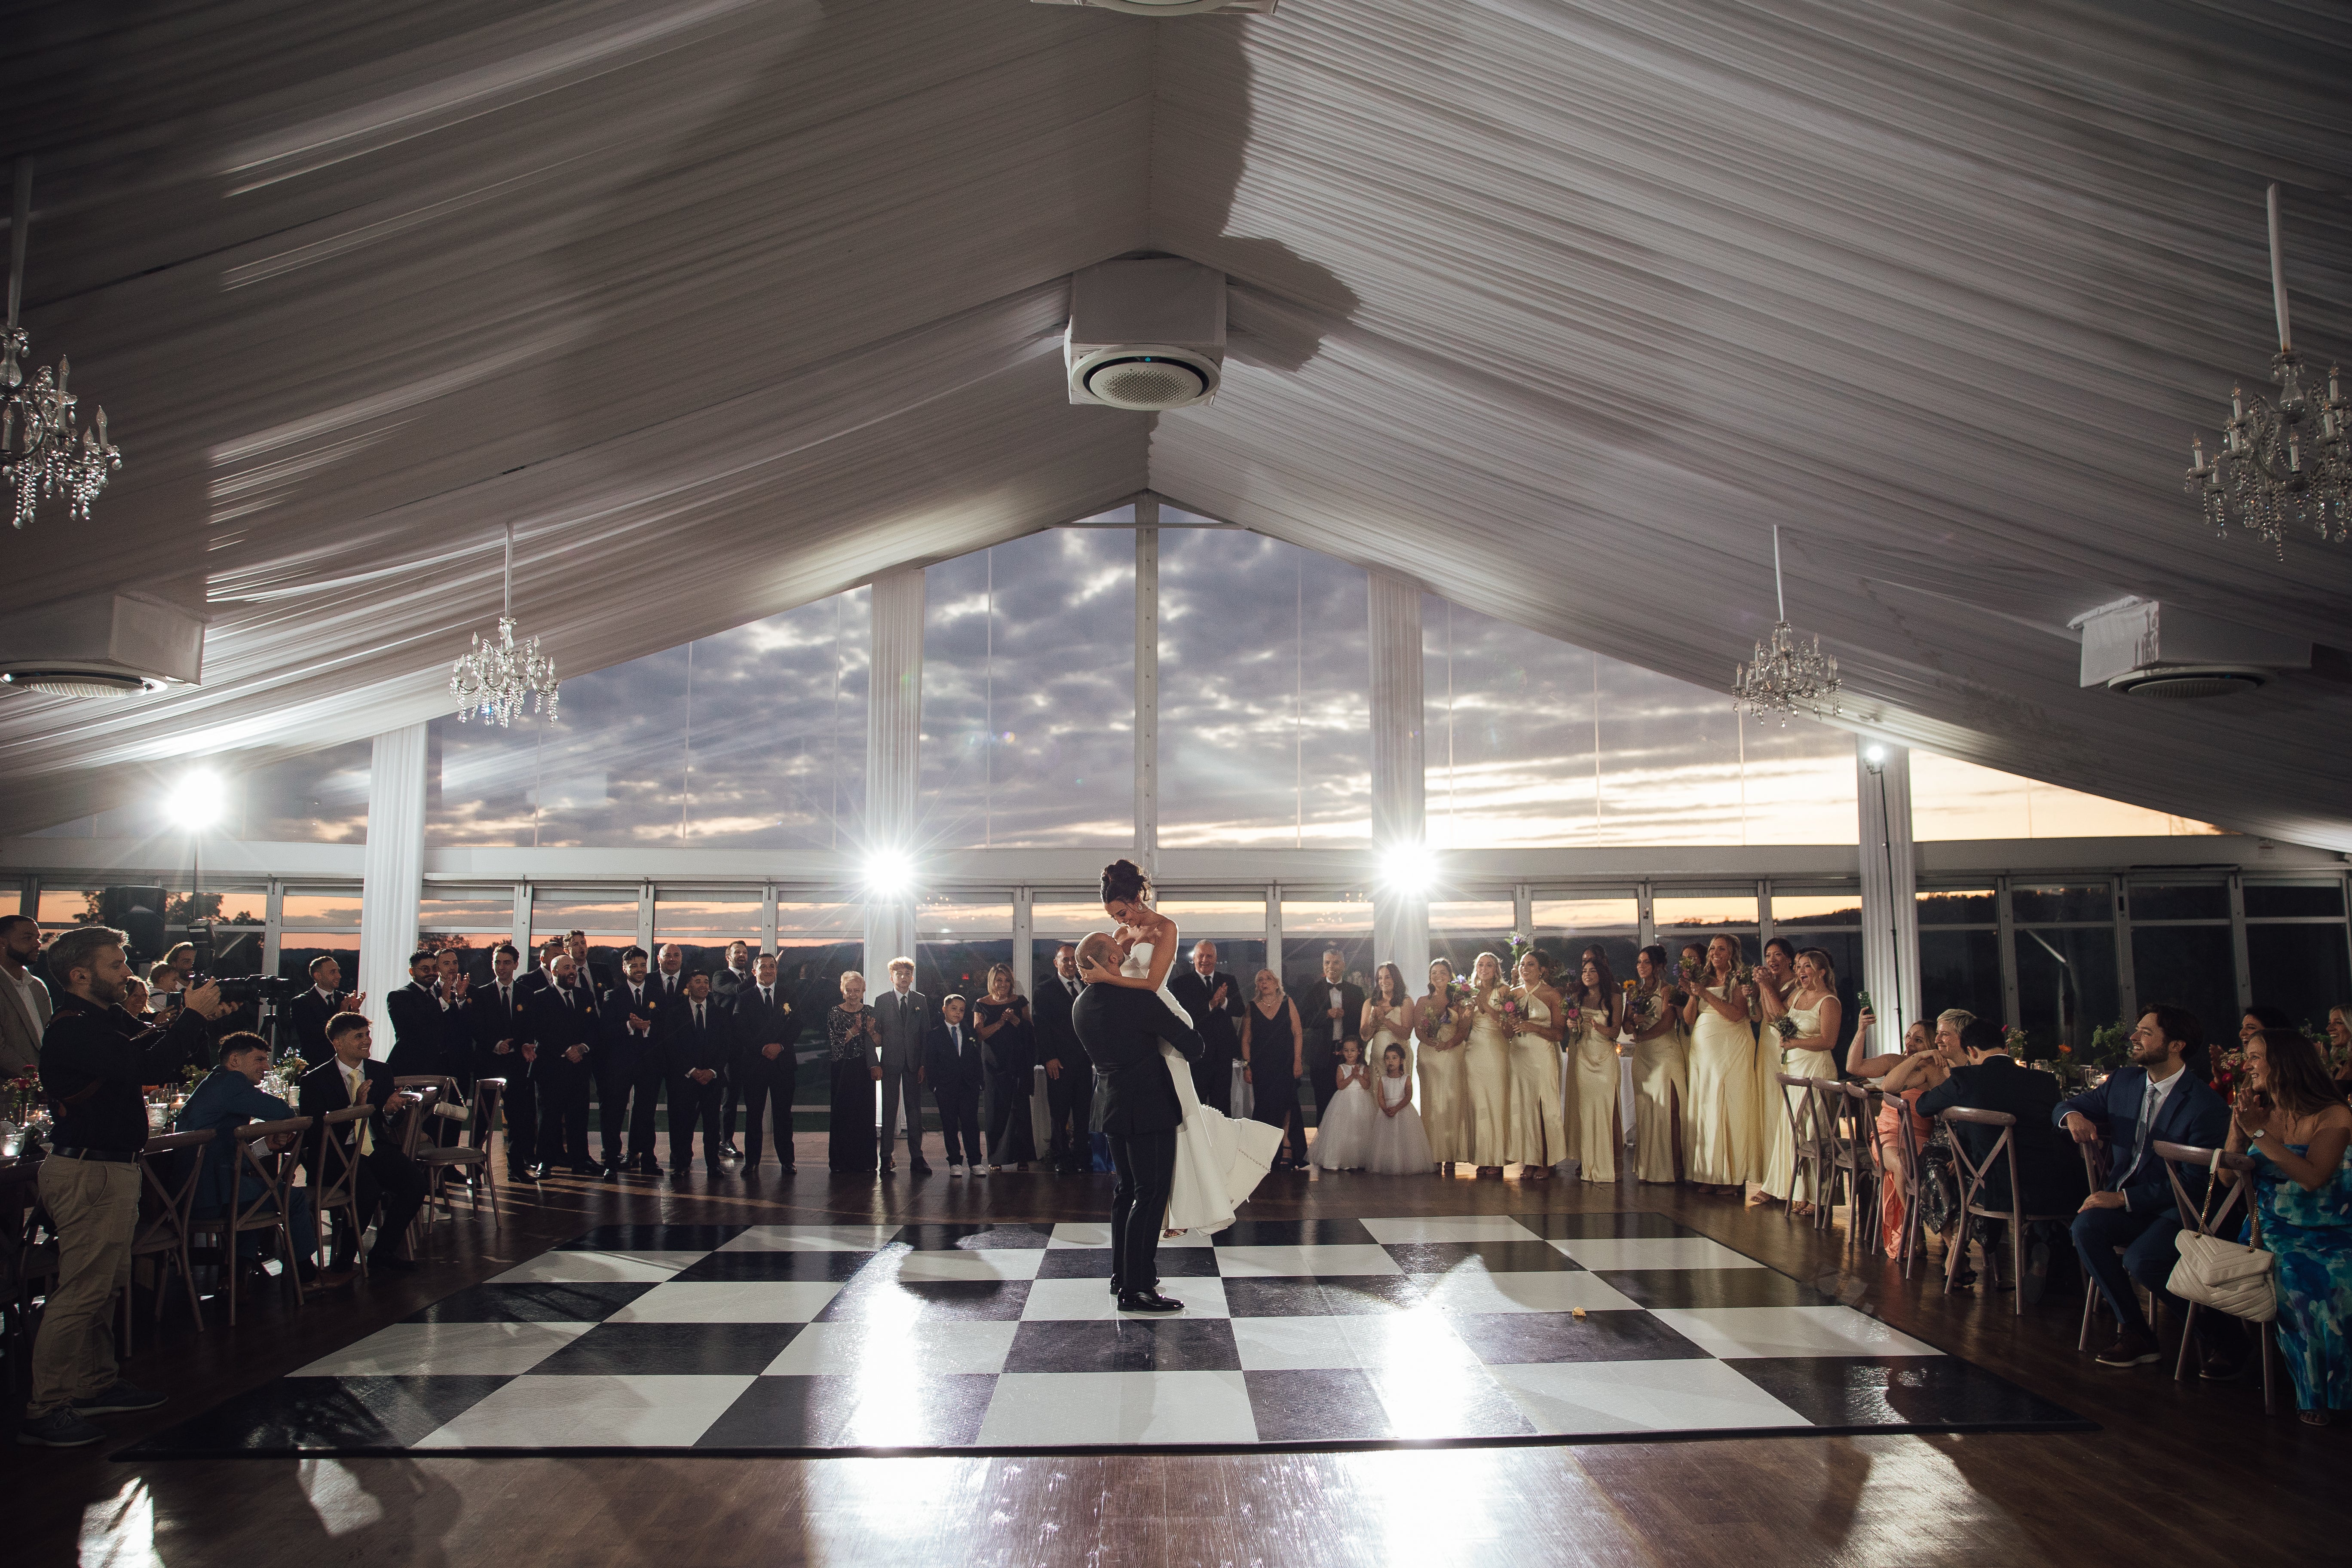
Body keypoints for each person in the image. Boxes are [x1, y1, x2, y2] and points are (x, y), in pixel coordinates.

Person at [16, 926, 225, 1449]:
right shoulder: (71, 1028)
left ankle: (94, 1383)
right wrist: (193, 1016)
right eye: (115, 966)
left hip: (111, 1167)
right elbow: (148, 1067)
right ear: (79, 975)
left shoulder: (102, 1020)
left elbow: (151, 1045)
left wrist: (188, 1019)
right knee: (81, 1290)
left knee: (106, 1283)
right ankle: (46, 1408)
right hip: (89, 1171)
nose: (127, 974)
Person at [2056, 1004, 2234, 1370]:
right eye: (2136, 1031)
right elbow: (2066, 1103)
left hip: (2177, 1210)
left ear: (2177, 1046)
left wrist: (2122, 1198)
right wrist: (2072, 1115)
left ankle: (2225, 1338)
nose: (2134, 1038)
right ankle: (2136, 1331)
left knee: (2142, 1260)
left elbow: (2196, 1184)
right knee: (2085, 1228)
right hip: (2131, 1206)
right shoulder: (2123, 1082)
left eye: (2146, 1032)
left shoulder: (2206, 1106)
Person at [1070, 930, 1204, 1312]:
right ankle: (1138, 1288)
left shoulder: (1081, 1004)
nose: (1126, 954)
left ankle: (1121, 1275)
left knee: (1126, 1191)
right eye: (1120, 951)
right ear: (1110, 961)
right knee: (1149, 1194)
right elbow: (1193, 1046)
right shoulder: (1137, 999)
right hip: (1149, 1107)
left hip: (1111, 1105)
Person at [2223, 1028, 2352, 1424]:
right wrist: (2240, 1125)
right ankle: (2311, 1393)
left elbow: (2313, 1177)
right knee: (2296, 1274)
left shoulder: (2334, 1114)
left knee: (2339, 1277)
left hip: (2332, 1229)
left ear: (2285, 1062)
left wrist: (2258, 1132)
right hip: (2273, 1228)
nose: (2249, 1064)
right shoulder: (2259, 1113)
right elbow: (2228, 1179)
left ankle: (2340, 1390)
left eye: (2257, 1057)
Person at [1916, 1017, 2086, 1297]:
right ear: (2006, 1047)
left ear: (1970, 1051)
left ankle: (2047, 1260)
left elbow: (1924, 1106)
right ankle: (2058, 1261)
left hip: (1992, 1189)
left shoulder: (1965, 1079)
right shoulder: (2044, 1080)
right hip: (2054, 1190)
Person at [178, 1032, 329, 1288]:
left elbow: (224, 1144)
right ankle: (307, 1276)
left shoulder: (215, 1082)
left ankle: (237, 1276)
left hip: (193, 1192)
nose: (266, 1067)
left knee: (252, 1202)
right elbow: (282, 1112)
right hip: (210, 1195)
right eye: (259, 1060)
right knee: (292, 1198)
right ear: (235, 1061)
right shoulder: (232, 1083)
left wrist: (263, 1146)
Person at [297, 1013, 427, 1279]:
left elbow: (389, 1119)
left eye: (367, 1035)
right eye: (359, 1036)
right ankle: (345, 1258)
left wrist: (391, 1111)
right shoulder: (314, 1081)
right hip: (335, 1153)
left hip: (373, 1146)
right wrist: (355, 1110)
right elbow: (317, 1134)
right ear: (338, 1043)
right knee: (367, 1191)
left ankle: (383, 1252)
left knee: (416, 1183)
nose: (367, 1041)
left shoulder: (381, 1071)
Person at [1759, 948, 1844, 1215]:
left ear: (1821, 971)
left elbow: (1829, 1041)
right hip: (1794, 1066)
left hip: (1817, 1068)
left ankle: (1820, 1198)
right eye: (1799, 967)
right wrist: (1765, 988)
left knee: (1815, 1130)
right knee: (1796, 1129)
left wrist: (1794, 1042)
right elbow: (1778, 1017)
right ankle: (1801, 1193)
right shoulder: (1798, 996)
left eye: (1807, 966)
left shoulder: (1829, 1001)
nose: (1801, 971)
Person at [1851, 1011, 1942, 1255]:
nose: (1910, 1043)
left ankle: (1951, 1236)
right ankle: (1915, 1228)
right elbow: (1853, 1066)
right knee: (1902, 1164)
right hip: (1889, 1135)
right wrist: (1861, 1031)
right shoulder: (1895, 1062)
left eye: (1919, 1041)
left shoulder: (1937, 1071)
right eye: (1909, 1037)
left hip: (1924, 1138)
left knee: (1935, 1165)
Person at [1681, 934, 1758, 1195]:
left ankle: (1731, 1176)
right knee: (1704, 1107)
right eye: (1713, 948)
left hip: (1731, 1047)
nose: (1715, 952)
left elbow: (1738, 1014)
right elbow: (1690, 1019)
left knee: (1727, 1106)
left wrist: (1705, 994)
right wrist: (1695, 993)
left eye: (1721, 949)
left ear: (1732, 953)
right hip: (1703, 1052)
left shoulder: (1739, 978)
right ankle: (1707, 1173)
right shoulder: (1702, 979)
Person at [525, 953, 600, 1176]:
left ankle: (581, 1160)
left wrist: (583, 1048)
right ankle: (545, 1162)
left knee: (579, 1116)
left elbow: (594, 1028)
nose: (572, 972)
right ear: (554, 971)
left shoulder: (585, 996)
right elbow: (540, 1032)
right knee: (549, 1117)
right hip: (551, 1069)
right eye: (566, 968)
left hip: (579, 1068)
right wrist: (566, 1050)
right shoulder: (539, 998)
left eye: (574, 968)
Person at [472, 944, 538, 1181]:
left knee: (519, 1119)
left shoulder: (527, 994)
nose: (501, 967)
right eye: (497, 962)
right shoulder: (480, 994)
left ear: (516, 965)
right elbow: (476, 1030)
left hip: (518, 1067)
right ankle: (475, 1170)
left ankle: (517, 1169)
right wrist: (495, 1044)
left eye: (506, 963)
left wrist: (525, 1045)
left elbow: (530, 1028)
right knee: (483, 1118)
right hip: (489, 1065)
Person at [596, 946, 662, 1179]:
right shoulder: (612, 996)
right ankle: (611, 1163)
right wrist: (629, 1026)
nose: (639, 969)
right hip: (620, 1065)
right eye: (634, 965)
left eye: (643, 965)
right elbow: (605, 1032)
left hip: (649, 1065)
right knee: (614, 1113)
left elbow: (666, 1028)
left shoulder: (658, 993)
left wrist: (649, 1026)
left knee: (646, 1113)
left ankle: (648, 1160)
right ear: (625, 968)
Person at [732, 953, 799, 1175]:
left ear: (777, 970)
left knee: (784, 1115)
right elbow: (740, 1030)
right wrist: (763, 1048)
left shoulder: (789, 994)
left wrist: (779, 1046)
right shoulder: (745, 997)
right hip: (755, 1066)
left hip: (783, 1064)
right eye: (763, 967)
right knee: (754, 1116)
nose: (768, 970)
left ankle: (787, 1161)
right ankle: (752, 1162)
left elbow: (797, 1025)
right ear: (755, 972)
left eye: (772, 966)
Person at [1626, 944, 1688, 1185]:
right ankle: (1649, 1167)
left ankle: (1675, 1167)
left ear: (1659, 966)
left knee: (1669, 1110)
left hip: (1665, 1053)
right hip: (1643, 1056)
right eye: (1640, 962)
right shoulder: (1633, 993)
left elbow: (1667, 1023)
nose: (1642, 967)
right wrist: (1634, 1021)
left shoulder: (1668, 990)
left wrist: (1643, 1036)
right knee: (1646, 1110)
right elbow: (1627, 1027)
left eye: (1647, 963)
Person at [659, 971, 729, 1178]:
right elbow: (671, 1046)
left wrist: (712, 1071)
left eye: (706, 982)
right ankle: (682, 1164)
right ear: (688, 986)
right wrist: (692, 1071)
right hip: (684, 1079)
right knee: (683, 1125)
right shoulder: (675, 1013)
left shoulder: (720, 1013)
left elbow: (726, 1047)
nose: (703, 985)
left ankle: (713, 1165)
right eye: (698, 981)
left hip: (712, 1080)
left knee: (712, 1126)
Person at [1507, 952, 1571, 1178]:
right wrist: (1509, 1024)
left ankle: (1547, 1160)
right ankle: (1530, 1159)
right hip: (1518, 1055)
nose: (1525, 968)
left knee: (1545, 1104)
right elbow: (1507, 1032)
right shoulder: (1513, 995)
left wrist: (1533, 1027)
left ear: (1542, 969)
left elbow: (1559, 1033)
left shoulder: (1552, 995)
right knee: (1524, 1106)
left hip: (1542, 1055)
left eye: (1531, 965)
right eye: (1523, 965)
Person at [1033, 943, 1093, 1173]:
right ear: (1056, 963)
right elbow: (1042, 1027)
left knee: (1083, 1111)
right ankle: (1061, 1157)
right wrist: (1049, 1058)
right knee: (1059, 1112)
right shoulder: (1044, 990)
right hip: (1058, 1063)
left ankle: (1081, 1156)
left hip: (1084, 1062)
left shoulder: (1087, 987)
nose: (1070, 964)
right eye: (1065, 960)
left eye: (1073, 960)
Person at [872, 957, 932, 1175]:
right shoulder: (882, 1001)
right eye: (899, 974)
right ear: (892, 977)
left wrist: (924, 1064)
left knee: (915, 1111)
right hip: (890, 1062)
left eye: (907, 974)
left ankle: (917, 1157)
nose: (904, 978)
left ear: (912, 977)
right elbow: (875, 1034)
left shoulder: (920, 1001)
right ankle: (886, 1157)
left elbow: (926, 1035)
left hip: (914, 1064)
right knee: (889, 1109)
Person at [1171, 940, 1244, 1118]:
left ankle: (1222, 1144)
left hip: (1223, 1055)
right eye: (1201, 956)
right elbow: (1187, 1016)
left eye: (1209, 956)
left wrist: (1224, 1002)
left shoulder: (1228, 980)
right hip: (1197, 1055)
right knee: (1198, 1106)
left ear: (1216, 958)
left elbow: (1240, 1009)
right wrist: (1212, 1004)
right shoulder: (1181, 983)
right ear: (1194, 959)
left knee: (1223, 1106)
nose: (1205, 960)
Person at [1242, 968, 1306, 1169]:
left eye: (1268, 979)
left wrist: (1298, 1061)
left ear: (1277, 983)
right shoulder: (1252, 1007)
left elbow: (1298, 1033)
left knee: (1288, 1104)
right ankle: (1265, 1152)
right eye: (1260, 980)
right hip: (1262, 1067)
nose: (1264, 982)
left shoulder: (1288, 1003)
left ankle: (1287, 1146)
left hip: (1286, 1064)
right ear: (1257, 986)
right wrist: (1247, 1066)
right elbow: (1246, 1039)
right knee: (1265, 1107)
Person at [974, 964, 1034, 1172]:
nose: (1003, 985)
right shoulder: (981, 1004)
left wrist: (1015, 1019)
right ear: (992, 981)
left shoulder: (1020, 1002)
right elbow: (980, 1034)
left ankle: (1022, 1157)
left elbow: (1029, 1031)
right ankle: (996, 1158)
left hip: (1016, 1062)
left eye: (1007, 981)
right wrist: (1000, 1023)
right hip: (992, 1063)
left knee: (1019, 1108)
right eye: (999, 980)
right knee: (995, 1108)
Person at [1461, 952, 1515, 1178]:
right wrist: (1466, 1010)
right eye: (1481, 964)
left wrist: (1484, 1004)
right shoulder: (1469, 992)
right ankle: (1482, 1156)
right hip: (1474, 1052)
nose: (1484, 968)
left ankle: (1498, 1157)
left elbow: (1507, 1026)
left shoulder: (1503, 991)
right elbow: (1464, 1026)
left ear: (1496, 970)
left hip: (1496, 1050)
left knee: (1496, 1101)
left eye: (1489, 965)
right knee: (1478, 1103)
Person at [827, 971, 882, 1173]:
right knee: (843, 1113)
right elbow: (835, 1043)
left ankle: (866, 1162)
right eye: (848, 990)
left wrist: (871, 1031)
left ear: (863, 991)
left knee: (864, 1114)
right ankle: (840, 1162)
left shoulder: (870, 1011)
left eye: (857, 990)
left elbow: (878, 1042)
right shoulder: (835, 1011)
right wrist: (854, 1031)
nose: (852, 994)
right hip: (842, 1068)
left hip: (863, 1068)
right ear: (842, 991)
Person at [1416, 958, 1467, 1174]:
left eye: (1443, 972)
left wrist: (1448, 1044)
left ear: (1450, 975)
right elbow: (1418, 1031)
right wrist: (1431, 1042)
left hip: (1453, 1053)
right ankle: (1434, 1154)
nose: (1439, 976)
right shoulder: (1422, 1001)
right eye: (1434, 973)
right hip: (1429, 1055)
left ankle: (1451, 1155)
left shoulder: (1460, 1001)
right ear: (1430, 977)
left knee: (1452, 1102)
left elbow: (1464, 1030)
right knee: (1431, 1104)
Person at [926, 994, 986, 1176]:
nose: (958, 1013)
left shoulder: (969, 1033)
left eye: (962, 1010)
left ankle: (975, 1161)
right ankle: (955, 1162)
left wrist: (979, 1083)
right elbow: (931, 1062)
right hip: (945, 1088)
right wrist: (935, 1086)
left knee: (971, 1124)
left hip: (968, 1086)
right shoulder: (934, 1035)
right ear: (944, 1010)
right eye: (954, 1009)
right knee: (950, 1124)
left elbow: (976, 1059)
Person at [1303, 947, 1365, 1119]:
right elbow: (1305, 1020)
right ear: (1323, 966)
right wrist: (1327, 1015)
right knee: (1323, 1102)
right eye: (1327, 962)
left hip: (1349, 1054)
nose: (1331, 966)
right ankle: (1323, 1144)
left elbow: (1361, 1023)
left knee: (1350, 1103)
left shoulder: (1356, 992)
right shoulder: (1313, 990)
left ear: (1344, 965)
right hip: (1322, 1054)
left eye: (1336, 962)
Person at [1366, 1042, 1434, 1174]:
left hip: (1403, 1110)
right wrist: (1384, 1108)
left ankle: (1405, 1163)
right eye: (1387, 1058)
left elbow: (1408, 1096)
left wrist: (1397, 1108)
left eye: (1394, 1058)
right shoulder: (1383, 1079)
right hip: (1387, 1111)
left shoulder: (1406, 1078)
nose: (1390, 1061)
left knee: (1404, 1139)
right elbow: (1380, 1096)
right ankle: (1389, 1163)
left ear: (1401, 1060)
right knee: (1387, 1140)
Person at [1310, 1037, 1376, 1170]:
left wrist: (1359, 1076)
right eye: (1346, 1050)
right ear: (1342, 1052)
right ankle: (1341, 1159)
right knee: (1344, 1128)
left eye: (1353, 1050)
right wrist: (1352, 1076)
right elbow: (1340, 1086)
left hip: (1361, 1101)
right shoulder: (1341, 1068)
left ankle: (1359, 1159)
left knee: (1360, 1128)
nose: (1349, 1053)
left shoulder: (1364, 1068)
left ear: (1359, 1051)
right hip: (1344, 1101)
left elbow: (1367, 1085)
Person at [0, 912, 52, 1075]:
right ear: (2, 943)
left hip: (43, 1089)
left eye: (38, 938)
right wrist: (35, 1078)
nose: (37, 944)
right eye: (27, 938)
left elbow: (49, 1037)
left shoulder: (37, 986)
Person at [287, 954, 361, 1066]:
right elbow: (311, 1036)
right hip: (315, 1064)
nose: (339, 976)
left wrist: (355, 1011)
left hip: (345, 1064)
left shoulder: (345, 999)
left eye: (338, 971)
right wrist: (340, 1014)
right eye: (333, 972)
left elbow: (353, 1032)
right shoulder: (301, 1002)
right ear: (318, 976)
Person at [1361, 963, 1416, 1083]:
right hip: (1378, 1056)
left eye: (1388, 977)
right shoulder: (1370, 1003)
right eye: (1380, 978)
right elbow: (1364, 1036)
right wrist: (1374, 1023)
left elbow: (1406, 1034)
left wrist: (1385, 1021)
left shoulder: (1406, 1001)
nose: (1383, 981)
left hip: (1400, 1057)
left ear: (1396, 979)